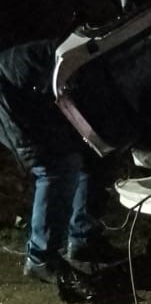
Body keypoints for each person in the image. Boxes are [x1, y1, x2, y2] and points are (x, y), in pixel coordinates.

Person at [0, 38, 114, 285]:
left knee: (92, 156)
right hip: (9, 94)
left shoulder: (112, 60)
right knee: (57, 167)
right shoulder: (110, 65)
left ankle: (83, 239)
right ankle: (41, 258)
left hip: (43, 93)